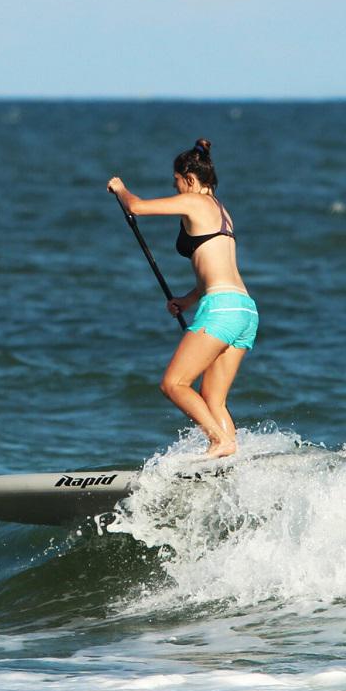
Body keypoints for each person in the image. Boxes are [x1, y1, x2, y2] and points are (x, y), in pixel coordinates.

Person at [107, 138, 258, 458]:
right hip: (243, 308)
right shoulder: (221, 210)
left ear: (190, 180)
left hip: (221, 309)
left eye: (177, 183)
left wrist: (120, 189)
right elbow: (214, 270)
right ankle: (231, 456)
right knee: (213, 399)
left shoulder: (195, 203)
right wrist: (187, 301)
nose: (176, 190)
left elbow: (136, 206)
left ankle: (221, 442)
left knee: (173, 384)